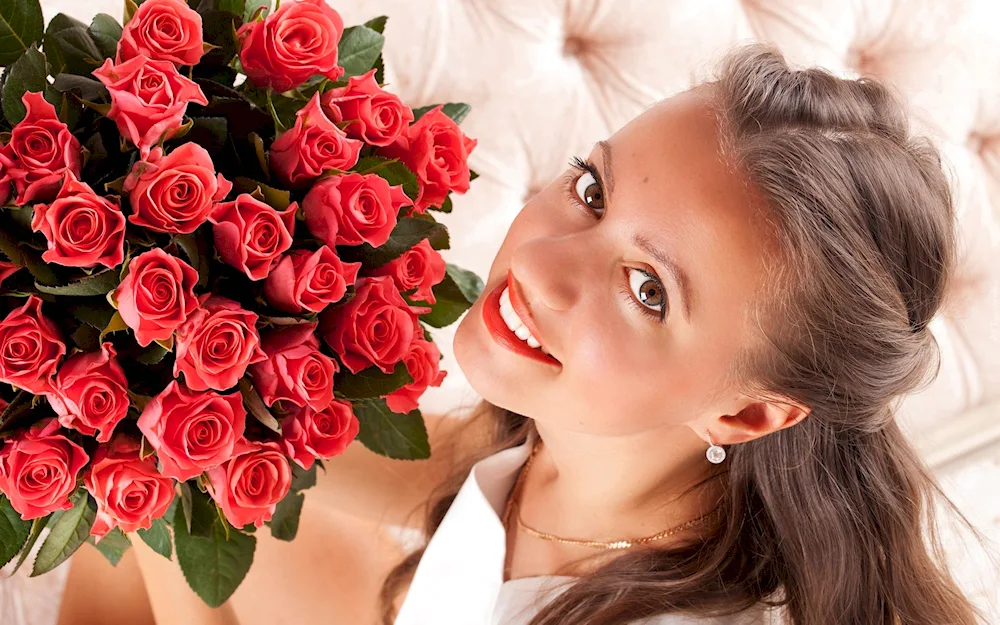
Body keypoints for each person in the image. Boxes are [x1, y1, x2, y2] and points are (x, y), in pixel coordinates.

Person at [56, 42, 985, 625]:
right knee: (152, 484)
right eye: (591, 191)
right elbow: (399, 465)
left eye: (647, 289)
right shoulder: (583, 447)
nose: (541, 267)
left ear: (746, 411)